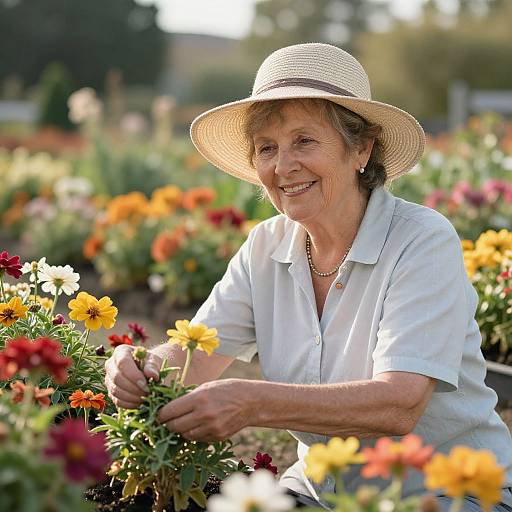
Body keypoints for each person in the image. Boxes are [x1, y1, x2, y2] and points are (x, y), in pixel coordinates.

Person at [105, 43, 512, 510]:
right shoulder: (265, 245)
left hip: (443, 496)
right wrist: (143, 367)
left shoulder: (422, 241)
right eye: (267, 148)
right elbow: (195, 354)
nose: (283, 166)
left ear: (361, 147)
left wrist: (253, 402)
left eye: (305, 141)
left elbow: (398, 403)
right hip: (320, 494)